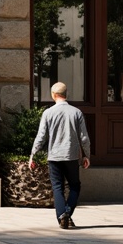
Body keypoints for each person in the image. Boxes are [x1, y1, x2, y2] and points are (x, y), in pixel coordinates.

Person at [28, 81, 91, 229]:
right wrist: (86, 155)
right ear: (66, 94)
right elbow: (84, 138)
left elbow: (41, 136)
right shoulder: (76, 112)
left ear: (53, 95)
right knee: (75, 186)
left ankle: (62, 215)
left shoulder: (47, 113)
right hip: (71, 156)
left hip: (54, 156)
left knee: (57, 187)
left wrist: (33, 155)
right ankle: (67, 212)